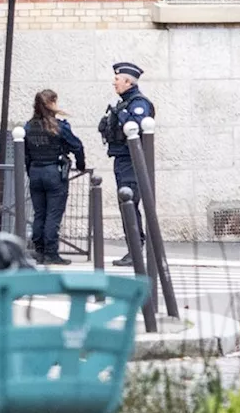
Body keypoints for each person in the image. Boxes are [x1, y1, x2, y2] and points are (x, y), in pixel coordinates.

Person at [97, 61, 155, 267]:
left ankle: (135, 250)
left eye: (117, 80)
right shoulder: (124, 103)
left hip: (132, 161)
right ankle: (133, 248)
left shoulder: (138, 103)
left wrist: (120, 114)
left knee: (129, 203)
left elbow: (136, 126)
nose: (114, 83)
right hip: (122, 160)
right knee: (125, 205)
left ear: (129, 82)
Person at [24, 89, 85, 266]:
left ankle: (39, 251)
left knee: (39, 214)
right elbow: (77, 146)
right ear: (52, 103)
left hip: (35, 172)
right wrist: (81, 165)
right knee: (53, 215)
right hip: (54, 172)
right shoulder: (60, 127)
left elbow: (25, 154)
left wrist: (31, 171)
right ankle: (51, 253)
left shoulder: (28, 127)